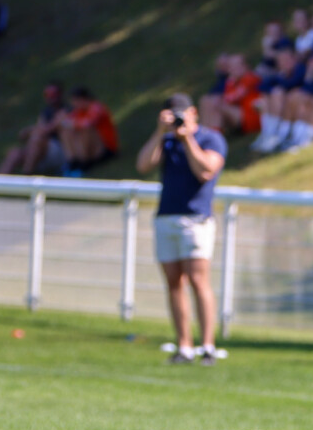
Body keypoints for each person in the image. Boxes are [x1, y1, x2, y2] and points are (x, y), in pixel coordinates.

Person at [135, 93, 228, 366]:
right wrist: (159, 132)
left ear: (193, 113)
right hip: (166, 217)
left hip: (196, 219)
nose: (177, 119)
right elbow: (143, 165)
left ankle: (208, 345)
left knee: (199, 281)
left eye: (181, 113)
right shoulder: (165, 140)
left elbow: (206, 171)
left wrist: (187, 138)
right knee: (174, 284)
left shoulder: (210, 139)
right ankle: (184, 345)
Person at [0, 81, 68, 175]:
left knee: (36, 139)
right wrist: (28, 132)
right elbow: (38, 128)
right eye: (47, 94)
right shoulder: (45, 112)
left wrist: (29, 130)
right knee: (14, 153)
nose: (50, 97)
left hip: (58, 151)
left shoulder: (65, 110)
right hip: (39, 152)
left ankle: (26, 175)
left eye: (53, 94)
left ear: (60, 94)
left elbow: (47, 130)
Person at [58, 86, 119, 176]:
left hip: (106, 148)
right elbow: (66, 123)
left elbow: (88, 123)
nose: (73, 104)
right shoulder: (78, 111)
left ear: (82, 99)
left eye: (75, 101)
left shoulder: (96, 107)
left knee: (85, 130)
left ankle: (84, 164)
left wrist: (71, 124)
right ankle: (73, 162)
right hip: (90, 149)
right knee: (65, 131)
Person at [198, 53, 261, 134]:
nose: (233, 70)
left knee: (216, 104)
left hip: (251, 118)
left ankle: (213, 137)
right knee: (207, 100)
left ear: (246, 66)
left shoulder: (250, 77)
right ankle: (206, 134)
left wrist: (222, 99)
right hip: (240, 117)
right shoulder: (233, 82)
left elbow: (235, 97)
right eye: (231, 67)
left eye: (236, 67)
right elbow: (229, 96)